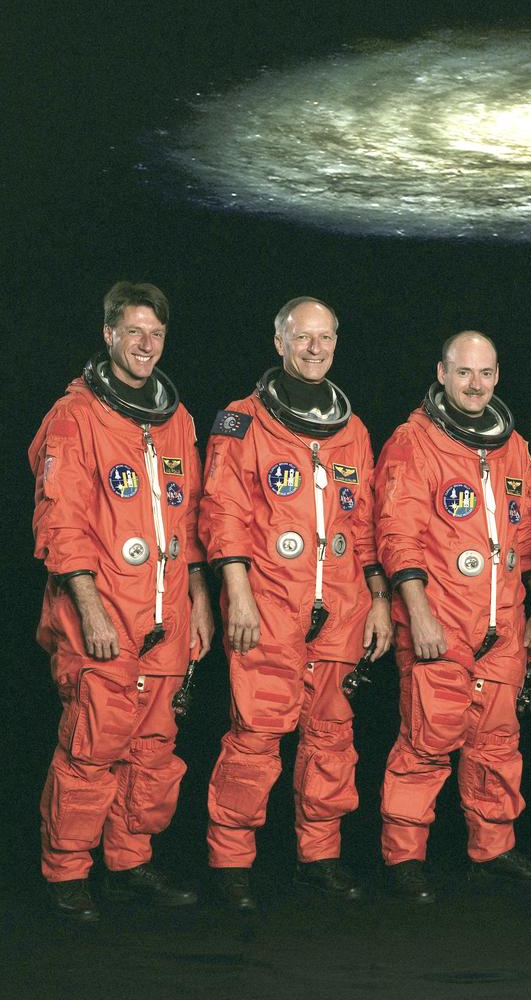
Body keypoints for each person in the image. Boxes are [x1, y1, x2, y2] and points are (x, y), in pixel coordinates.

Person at [30, 281, 214, 921]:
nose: (144, 344)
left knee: (152, 751)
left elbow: (187, 521)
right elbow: (61, 526)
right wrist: (91, 610)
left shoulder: (176, 419)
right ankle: (67, 873)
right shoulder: (75, 418)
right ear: (108, 334)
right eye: (132, 331)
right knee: (91, 748)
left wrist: (199, 600)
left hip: (165, 619)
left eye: (155, 334)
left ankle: (130, 863)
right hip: (102, 617)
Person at [201, 297, 391, 910]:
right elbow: (223, 516)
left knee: (332, 736)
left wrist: (378, 599)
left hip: (338, 606)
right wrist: (238, 597)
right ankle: (232, 862)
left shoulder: (353, 429)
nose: (315, 349)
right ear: (278, 341)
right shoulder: (241, 421)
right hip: (268, 606)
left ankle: (321, 855)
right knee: (255, 736)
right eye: (302, 337)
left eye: (326, 338)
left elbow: (362, 527)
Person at [374, 332, 531, 903]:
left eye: (485, 373)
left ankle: (493, 850)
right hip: (439, 621)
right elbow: (397, 538)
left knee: (497, 745)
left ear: (497, 376)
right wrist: (418, 616)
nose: (475, 385)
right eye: (463, 373)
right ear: (443, 374)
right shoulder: (412, 442)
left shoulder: (514, 447)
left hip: (502, 626)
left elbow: (526, 534)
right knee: (425, 742)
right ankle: (404, 858)